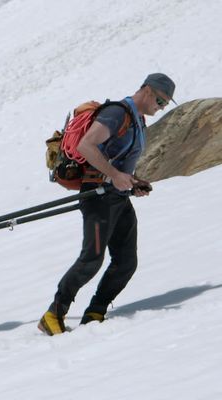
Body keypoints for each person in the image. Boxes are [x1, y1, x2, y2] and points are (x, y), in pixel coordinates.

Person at [38, 73, 176, 335]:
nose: (160, 107)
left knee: (126, 262)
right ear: (146, 91)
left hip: (118, 197)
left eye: (165, 104)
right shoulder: (118, 113)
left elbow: (118, 163)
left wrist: (133, 182)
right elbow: (87, 145)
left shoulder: (138, 122)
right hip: (98, 196)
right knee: (91, 260)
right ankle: (53, 314)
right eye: (160, 100)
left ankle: (94, 313)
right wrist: (114, 176)